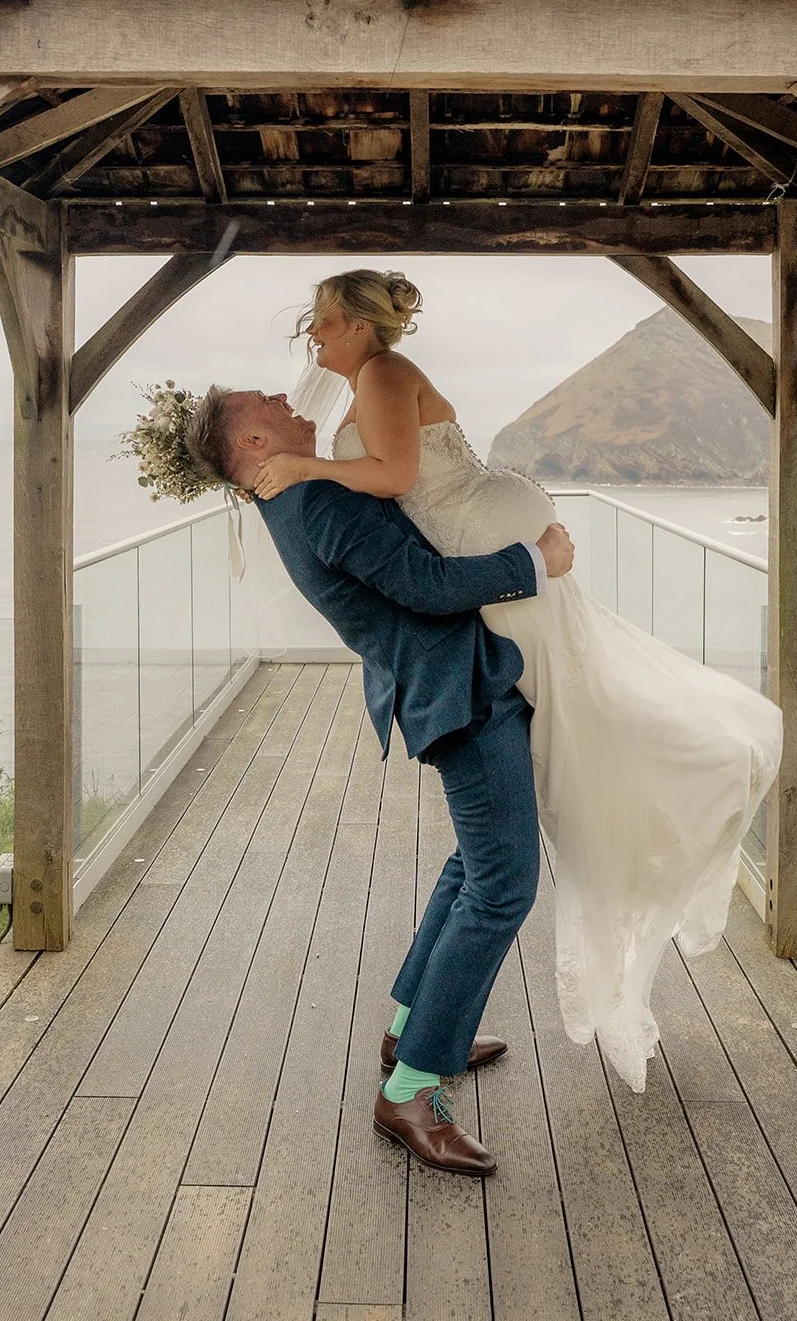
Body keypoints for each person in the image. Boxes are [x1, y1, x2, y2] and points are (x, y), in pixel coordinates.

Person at [248, 269, 785, 1093]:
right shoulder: (335, 433)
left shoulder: (378, 379)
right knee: (502, 854)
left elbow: (393, 480)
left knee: (522, 811)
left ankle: (416, 1044)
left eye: (321, 324)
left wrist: (308, 466)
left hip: (487, 573)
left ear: (360, 326)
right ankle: (415, 1058)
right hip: (476, 613)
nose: (311, 340)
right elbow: (405, 540)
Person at [179, 384, 576, 1176]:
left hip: (441, 679)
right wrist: (538, 560)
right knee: (502, 886)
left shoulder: (291, 491)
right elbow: (425, 588)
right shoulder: (317, 498)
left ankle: (411, 1025)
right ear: (251, 443)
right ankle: (411, 1091)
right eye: (266, 402)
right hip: (457, 688)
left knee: (475, 863)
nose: (286, 396)